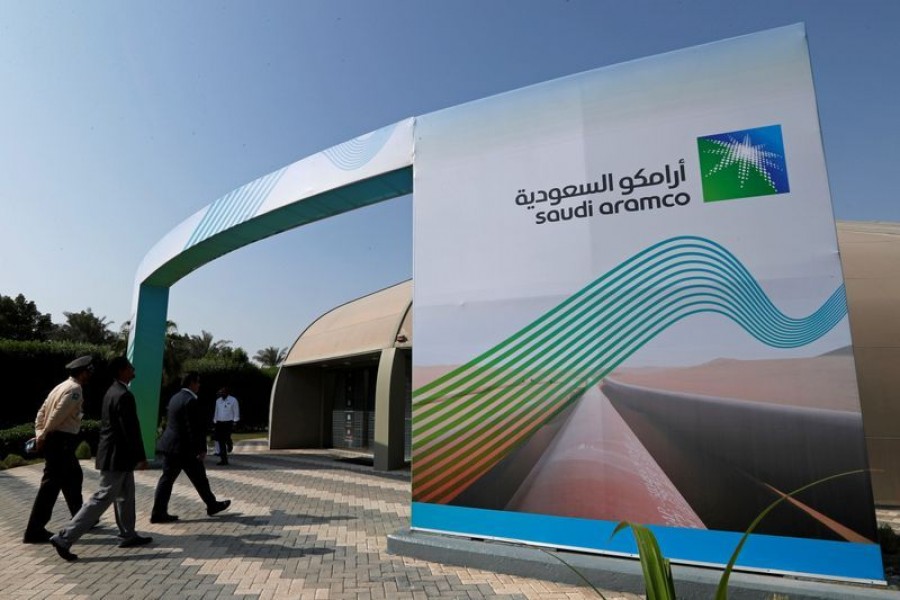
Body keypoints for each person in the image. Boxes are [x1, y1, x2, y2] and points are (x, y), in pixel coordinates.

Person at [49, 357, 152, 561]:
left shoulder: (112, 391)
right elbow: (130, 430)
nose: (134, 371)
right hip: (117, 457)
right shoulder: (123, 395)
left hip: (115, 456)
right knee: (102, 498)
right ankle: (65, 537)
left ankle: (128, 534)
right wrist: (141, 456)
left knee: (126, 495)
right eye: (131, 368)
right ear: (122, 371)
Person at [23, 355, 93, 544]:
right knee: (50, 486)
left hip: (57, 441)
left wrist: (39, 433)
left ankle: (81, 518)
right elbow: (56, 415)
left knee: (73, 476)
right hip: (61, 441)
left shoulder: (60, 387)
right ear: (82, 372)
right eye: (88, 371)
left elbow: (41, 412)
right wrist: (43, 436)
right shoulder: (75, 389)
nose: (89, 375)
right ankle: (34, 530)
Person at [150, 372, 231, 523]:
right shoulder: (190, 401)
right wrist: (201, 448)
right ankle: (159, 513)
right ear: (191, 383)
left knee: (179, 479)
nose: (199, 385)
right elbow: (193, 428)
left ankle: (160, 512)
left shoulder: (175, 397)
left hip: (173, 446)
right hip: (183, 449)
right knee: (195, 478)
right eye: (198, 382)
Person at [212, 386, 239, 465]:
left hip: (229, 422)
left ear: (227, 393)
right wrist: (215, 420)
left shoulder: (233, 400)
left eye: (223, 393)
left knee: (226, 437)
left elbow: (236, 410)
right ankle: (224, 459)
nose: (222, 395)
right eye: (221, 393)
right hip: (220, 423)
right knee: (221, 441)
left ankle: (229, 443)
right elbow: (216, 411)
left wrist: (235, 421)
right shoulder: (218, 401)